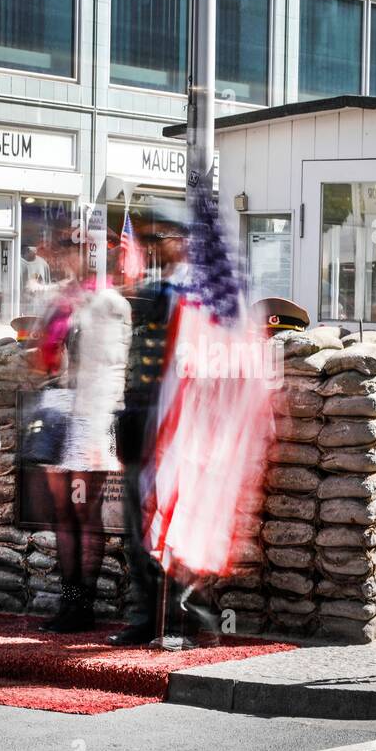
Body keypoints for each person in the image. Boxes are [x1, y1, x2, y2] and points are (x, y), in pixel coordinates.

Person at [107, 199, 214, 647]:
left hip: (181, 424)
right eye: (146, 239)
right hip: (143, 418)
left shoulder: (202, 293)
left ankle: (188, 617)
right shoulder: (153, 290)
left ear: (184, 241)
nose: (150, 247)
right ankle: (147, 615)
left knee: (179, 520)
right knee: (139, 524)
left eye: (158, 238)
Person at [34, 222, 133, 633]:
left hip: (94, 415)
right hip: (62, 408)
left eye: (71, 250)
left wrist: (101, 425)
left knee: (83, 513)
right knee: (62, 513)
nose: (63, 258)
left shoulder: (109, 303)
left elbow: (110, 368)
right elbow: (45, 359)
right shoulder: (66, 300)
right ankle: (69, 600)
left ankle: (82, 604)